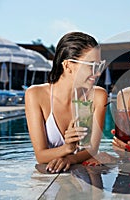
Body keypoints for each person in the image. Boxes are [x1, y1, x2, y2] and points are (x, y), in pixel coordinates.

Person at [25, 32, 107, 173]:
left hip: (85, 180)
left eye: (99, 66)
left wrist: (69, 159)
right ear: (68, 65)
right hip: (49, 177)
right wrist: (67, 148)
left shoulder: (98, 96)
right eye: (91, 66)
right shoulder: (36, 95)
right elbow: (40, 156)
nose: (98, 73)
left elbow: (92, 149)